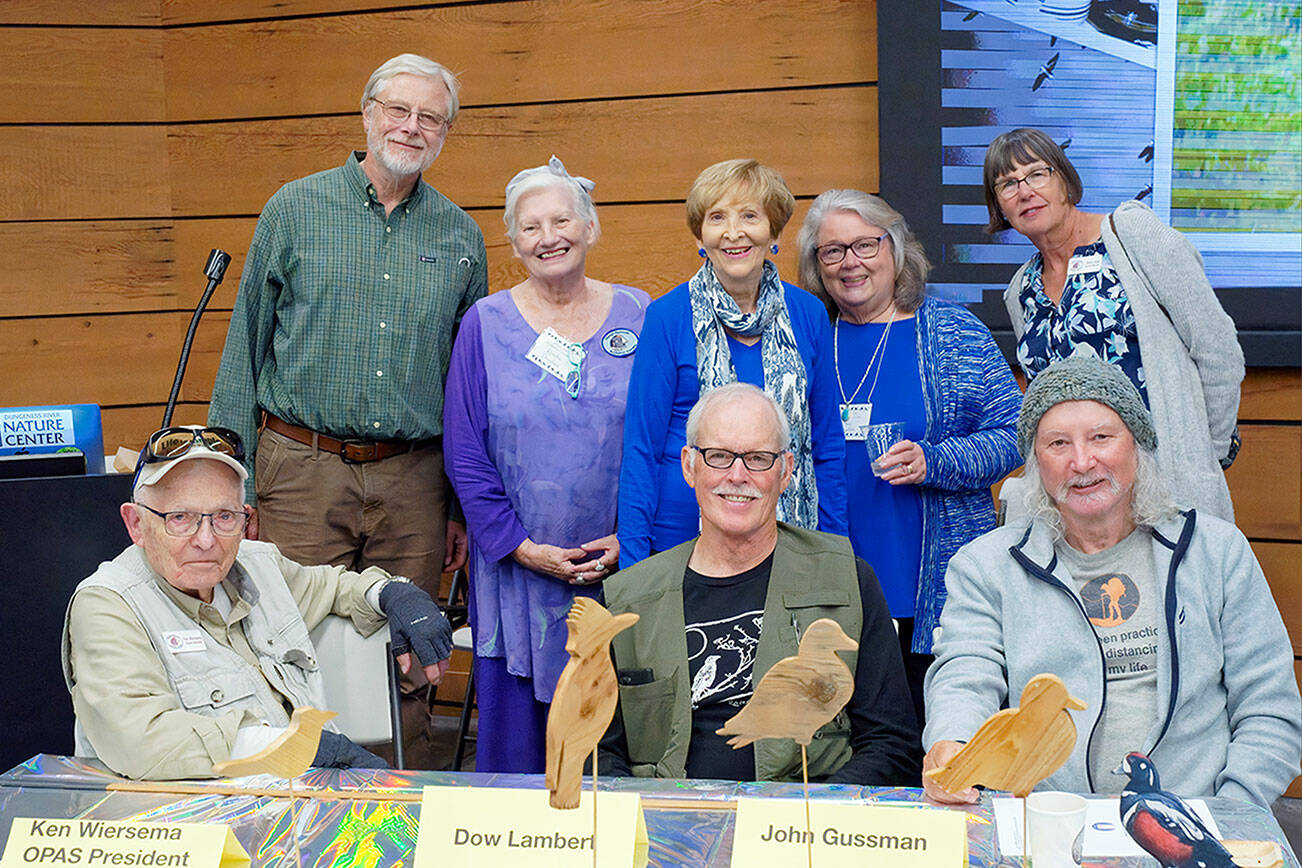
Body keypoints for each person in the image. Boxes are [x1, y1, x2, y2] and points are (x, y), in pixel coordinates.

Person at [922, 355, 1300, 809]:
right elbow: (965, 673)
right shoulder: (986, 565)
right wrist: (952, 741)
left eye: (1101, 437)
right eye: (1058, 443)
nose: (1082, 461)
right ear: (1035, 463)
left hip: (1197, 816)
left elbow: (1269, 707)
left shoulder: (1215, 551)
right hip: (1043, 819)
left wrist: (1233, 810)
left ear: (1137, 447)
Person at [209, 52, 486, 596]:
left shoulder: (461, 237)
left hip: (415, 484)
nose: (411, 127)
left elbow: (468, 388)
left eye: (429, 118)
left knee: (409, 655)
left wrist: (457, 505)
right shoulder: (293, 209)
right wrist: (230, 490)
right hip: (301, 474)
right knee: (294, 642)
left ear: (445, 132)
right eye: (398, 110)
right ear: (367, 113)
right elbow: (244, 349)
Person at [61, 427, 455, 781]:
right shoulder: (107, 604)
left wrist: (393, 593)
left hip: (299, 809)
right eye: (179, 518)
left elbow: (333, 587)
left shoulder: (258, 566)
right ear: (136, 525)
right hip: (183, 826)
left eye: (224, 516)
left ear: (245, 520)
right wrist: (301, 749)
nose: (205, 539)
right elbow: (141, 741)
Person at [599, 384, 921, 784]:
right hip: (667, 828)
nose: (737, 476)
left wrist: (802, 821)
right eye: (718, 456)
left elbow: (893, 743)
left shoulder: (848, 580)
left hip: (802, 833)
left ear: (785, 471)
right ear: (688, 466)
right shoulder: (628, 600)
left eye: (758, 459)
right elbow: (598, 752)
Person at [443, 156, 649, 773]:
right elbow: (463, 450)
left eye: (562, 220)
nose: (548, 237)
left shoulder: (642, 314)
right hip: (514, 571)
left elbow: (666, 438)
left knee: (616, 744)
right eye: (530, 227)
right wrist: (519, 546)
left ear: (591, 228)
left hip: (621, 567)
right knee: (519, 760)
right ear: (513, 240)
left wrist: (631, 539)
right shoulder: (484, 324)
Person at [796, 190, 1022, 723]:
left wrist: (935, 461)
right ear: (816, 266)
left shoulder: (952, 332)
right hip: (825, 593)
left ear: (895, 249)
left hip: (934, 596)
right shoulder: (804, 338)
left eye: (865, 245)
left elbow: (1017, 432)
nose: (850, 262)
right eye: (832, 251)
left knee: (932, 748)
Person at [984, 127, 1243, 521]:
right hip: (1080, 501)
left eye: (1037, 174)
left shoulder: (1130, 233)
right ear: (999, 207)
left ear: (1065, 181)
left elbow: (1216, 346)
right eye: (1007, 184)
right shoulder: (1020, 290)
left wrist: (1206, 452)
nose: (1024, 191)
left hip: (1167, 484)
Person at [617, 159, 847, 568]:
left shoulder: (809, 314)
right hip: (682, 542)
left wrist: (832, 554)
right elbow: (641, 449)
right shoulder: (668, 317)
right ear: (700, 236)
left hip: (791, 544)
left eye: (749, 216)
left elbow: (826, 447)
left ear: (773, 232)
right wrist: (634, 569)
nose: (733, 232)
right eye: (717, 217)